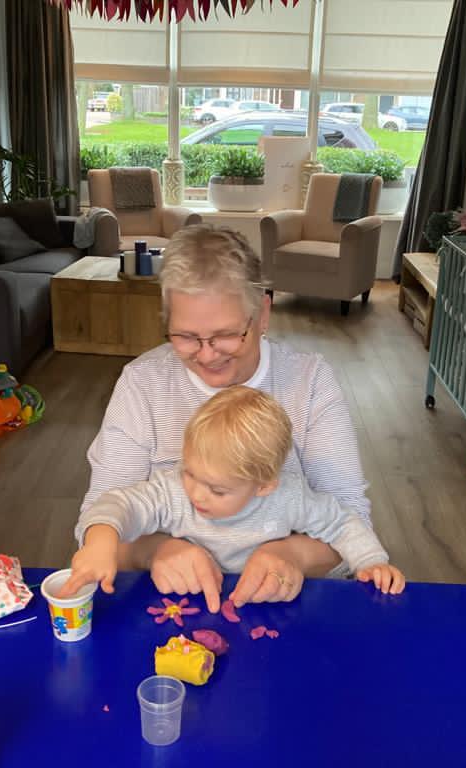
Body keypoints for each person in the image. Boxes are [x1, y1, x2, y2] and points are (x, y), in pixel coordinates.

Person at [76, 224, 377, 613]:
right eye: (185, 336)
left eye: (226, 335)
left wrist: (293, 555)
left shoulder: (310, 381)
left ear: (262, 313)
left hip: (282, 606)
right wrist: (156, 551)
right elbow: (98, 521)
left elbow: (350, 519)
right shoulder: (142, 383)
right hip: (170, 603)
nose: (207, 355)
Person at [62, 387, 404, 599]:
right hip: (183, 601)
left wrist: (371, 562)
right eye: (190, 472)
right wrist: (101, 541)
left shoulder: (288, 497)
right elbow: (119, 504)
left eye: (217, 489)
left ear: (264, 485)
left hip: (266, 603)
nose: (196, 493)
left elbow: (342, 523)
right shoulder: (174, 490)